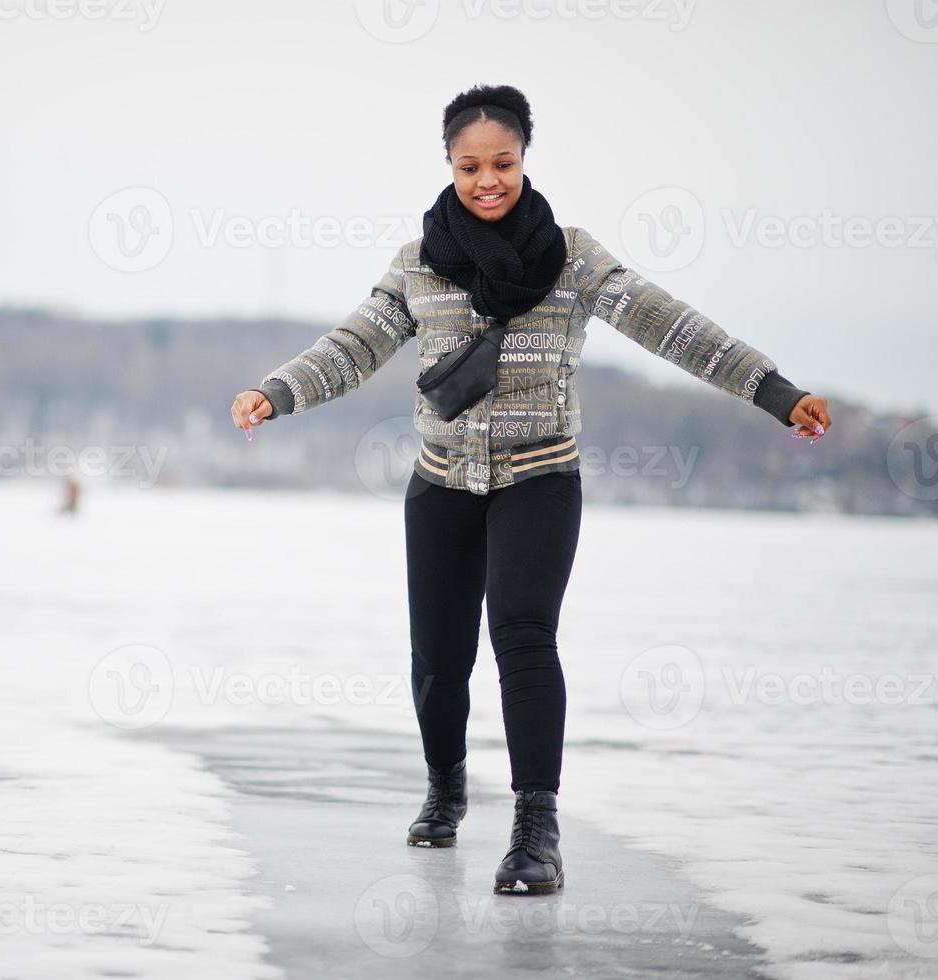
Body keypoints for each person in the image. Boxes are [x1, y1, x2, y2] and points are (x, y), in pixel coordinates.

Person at [228, 84, 832, 896]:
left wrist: (775, 391)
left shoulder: (573, 258)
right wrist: (278, 390)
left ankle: (534, 829)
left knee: (522, 636)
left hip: (539, 476)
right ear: (448, 164)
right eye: (470, 165)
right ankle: (445, 787)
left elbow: (671, 325)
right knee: (440, 661)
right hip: (441, 481)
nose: (486, 181)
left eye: (502, 164)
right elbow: (354, 344)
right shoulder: (417, 264)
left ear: (524, 159)